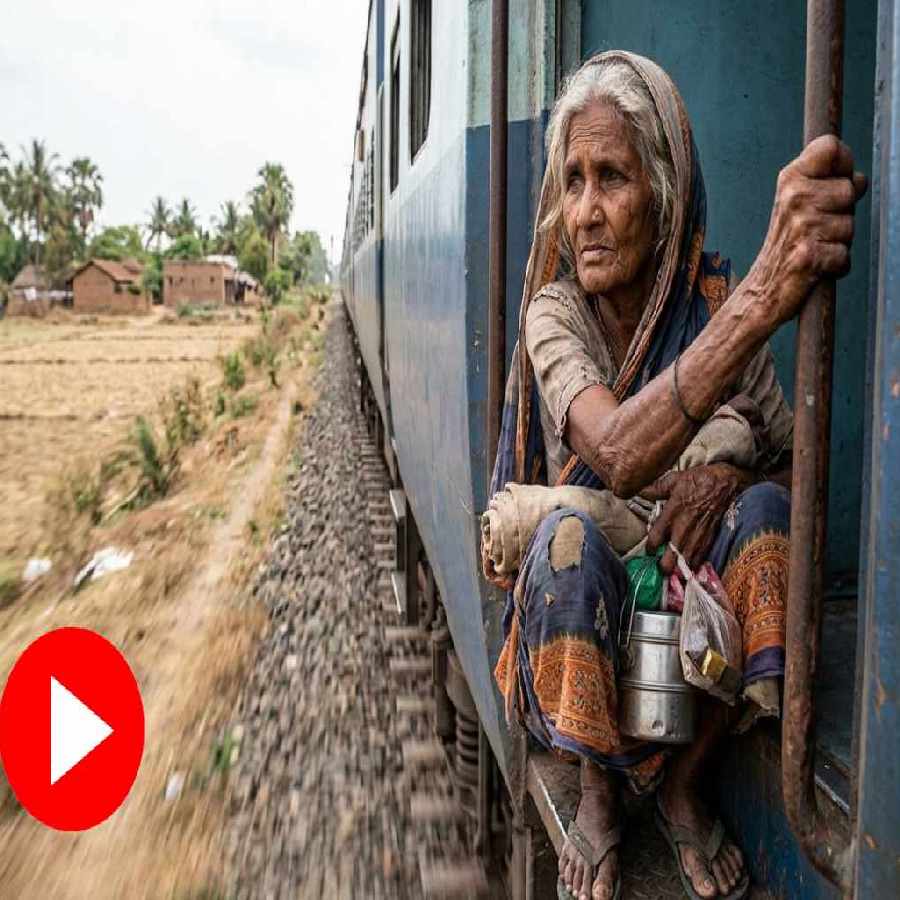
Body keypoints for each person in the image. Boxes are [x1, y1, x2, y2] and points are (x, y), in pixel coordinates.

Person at [484, 51, 867, 900]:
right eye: (573, 181)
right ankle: (597, 791)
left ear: (664, 196)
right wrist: (765, 295)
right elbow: (616, 450)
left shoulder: (709, 305)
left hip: (688, 625)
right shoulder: (556, 314)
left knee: (766, 514)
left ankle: (685, 787)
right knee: (567, 542)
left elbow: (790, 468)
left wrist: (724, 481)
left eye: (612, 178)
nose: (585, 212)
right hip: (589, 611)